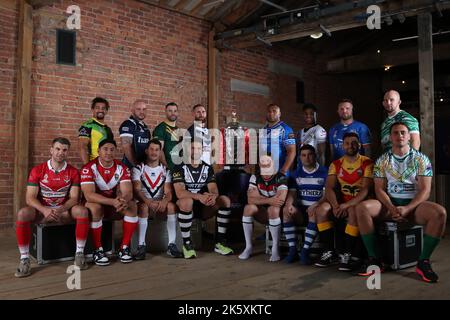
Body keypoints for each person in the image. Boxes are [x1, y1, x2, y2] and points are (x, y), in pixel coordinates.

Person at [355, 122, 446, 283]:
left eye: (403, 132)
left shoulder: (421, 159)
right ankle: (375, 260)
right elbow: (379, 189)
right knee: (362, 208)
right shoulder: (382, 160)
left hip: (413, 206)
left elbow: (425, 190)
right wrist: (392, 208)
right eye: (396, 133)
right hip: (389, 206)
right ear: (391, 137)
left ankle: (423, 262)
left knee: (439, 213)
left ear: (409, 136)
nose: (400, 136)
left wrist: (408, 208)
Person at [14, 138, 89, 277]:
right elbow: (30, 198)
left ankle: (79, 254)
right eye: (58, 149)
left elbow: (74, 198)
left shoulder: (73, 172)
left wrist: (59, 210)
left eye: (64, 150)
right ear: (51, 150)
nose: (61, 152)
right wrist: (45, 210)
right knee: (23, 214)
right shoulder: (38, 170)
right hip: (42, 210)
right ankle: (24, 259)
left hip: (63, 211)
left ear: (68, 152)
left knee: (82, 211)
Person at [314, 132, 373, 271]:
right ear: (342, 145)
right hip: (341, 202)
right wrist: (335, 205)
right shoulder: (336, 164)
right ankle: (329, 252)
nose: (350, 146)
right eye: (347, 143)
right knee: (321, 210)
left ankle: (347, 253)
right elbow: (329, 188)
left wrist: (347, 205)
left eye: (354, 143)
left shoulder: (367, 162)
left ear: (359, 145)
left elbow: (365, 190)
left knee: (353, 211)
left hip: (358, 203)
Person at [172, 139, 233, 259]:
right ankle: (187, 244)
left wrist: (212, 197)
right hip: (185, 206)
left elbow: (213, 189)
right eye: (193, 148)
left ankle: (220, 242)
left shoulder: (207, 167)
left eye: (199, 148)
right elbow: (179, 193)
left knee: (225, 200)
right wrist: (199, 196)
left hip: (203, 206)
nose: (196, 151)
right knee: (187, 201)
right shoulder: (179, 166)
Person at [80, 139, 138, 265]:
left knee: (132, 206)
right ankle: (98, 250)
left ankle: (124, 248)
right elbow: (89, 195)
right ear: (98, 151)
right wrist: (112, 201)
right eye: (105, 149)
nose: (108, 152)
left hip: (113, 204)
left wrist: (123, 200)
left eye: (112, 150)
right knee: (96, 208)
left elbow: (128, 192)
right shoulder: (88, 168)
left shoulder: (122, 167)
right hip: (93, 203)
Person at [132, 139, 183, 259]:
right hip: (144, 203)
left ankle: (172, 245)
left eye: (157, 150)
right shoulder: (138, 168)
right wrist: (148, 201)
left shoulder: (166, 170)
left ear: (160, 152)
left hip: (160, 204)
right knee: (143, 207)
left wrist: (164, 201)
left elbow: (169, 192)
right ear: (146, 151)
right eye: (151, 149)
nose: (154, 152)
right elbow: (137, 190)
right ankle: (141, 245)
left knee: (171, 206)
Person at [283, 145, 328, 264]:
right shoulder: (295, 174)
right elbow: (292, 194)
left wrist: (316, 204)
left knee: (314, 212)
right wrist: (289, 205)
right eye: (303, 155)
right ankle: (292, 250)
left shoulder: (325, 172)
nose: (307, 158)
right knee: (286, 211)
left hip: (316, 211)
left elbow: (327, 195)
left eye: (310, 154)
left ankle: (305, 251)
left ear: (315, 156)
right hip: (301, 213)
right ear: (300, 158)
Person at [238, 155, 288, 262]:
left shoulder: (281, 177)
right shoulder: (255, 177)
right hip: (263, 213)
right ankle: (248, 247)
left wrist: (259, 198)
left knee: (273, 209)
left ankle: (275, 248)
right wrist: (270, 200)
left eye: (268, 164)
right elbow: (250, 200)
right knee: (248, 208)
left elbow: (280, 200)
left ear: (273, 165)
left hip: (279, 215)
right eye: (263, 164)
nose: (265, 167)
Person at [260, 103, 296, 176]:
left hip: (279, 172)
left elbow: (292, 152)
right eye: (269, 111)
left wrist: (283, 171)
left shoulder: (286, 129)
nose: (271, 113)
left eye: (274, 111)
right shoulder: (263, 130)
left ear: (279, 114)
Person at [79, 97, 114, 164]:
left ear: (106, 111)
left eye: (103, 108)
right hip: (94, 164)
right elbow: (82, 147)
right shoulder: (88, 125)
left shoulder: (108, 129)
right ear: (92, 109)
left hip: (107, 165)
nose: (100, 110)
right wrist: (88, 167)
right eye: (97, 108)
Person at [119, 99, 151, 168]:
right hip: (130, 167)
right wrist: (136, 165)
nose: (142, 112)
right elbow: (126, 147)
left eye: (144, 109)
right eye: (138, 109)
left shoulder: (144, 126)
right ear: (132, 110)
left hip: (143, 167)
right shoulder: (128, 124)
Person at [153, 102, 181, 171]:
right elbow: (159, 150)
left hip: (177, 167)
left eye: (175, 111)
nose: (173, 113)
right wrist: (166, 167)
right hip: (166, 168)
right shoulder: (160, 128)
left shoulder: (178, 129)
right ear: (165, 112)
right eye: (170, 111)